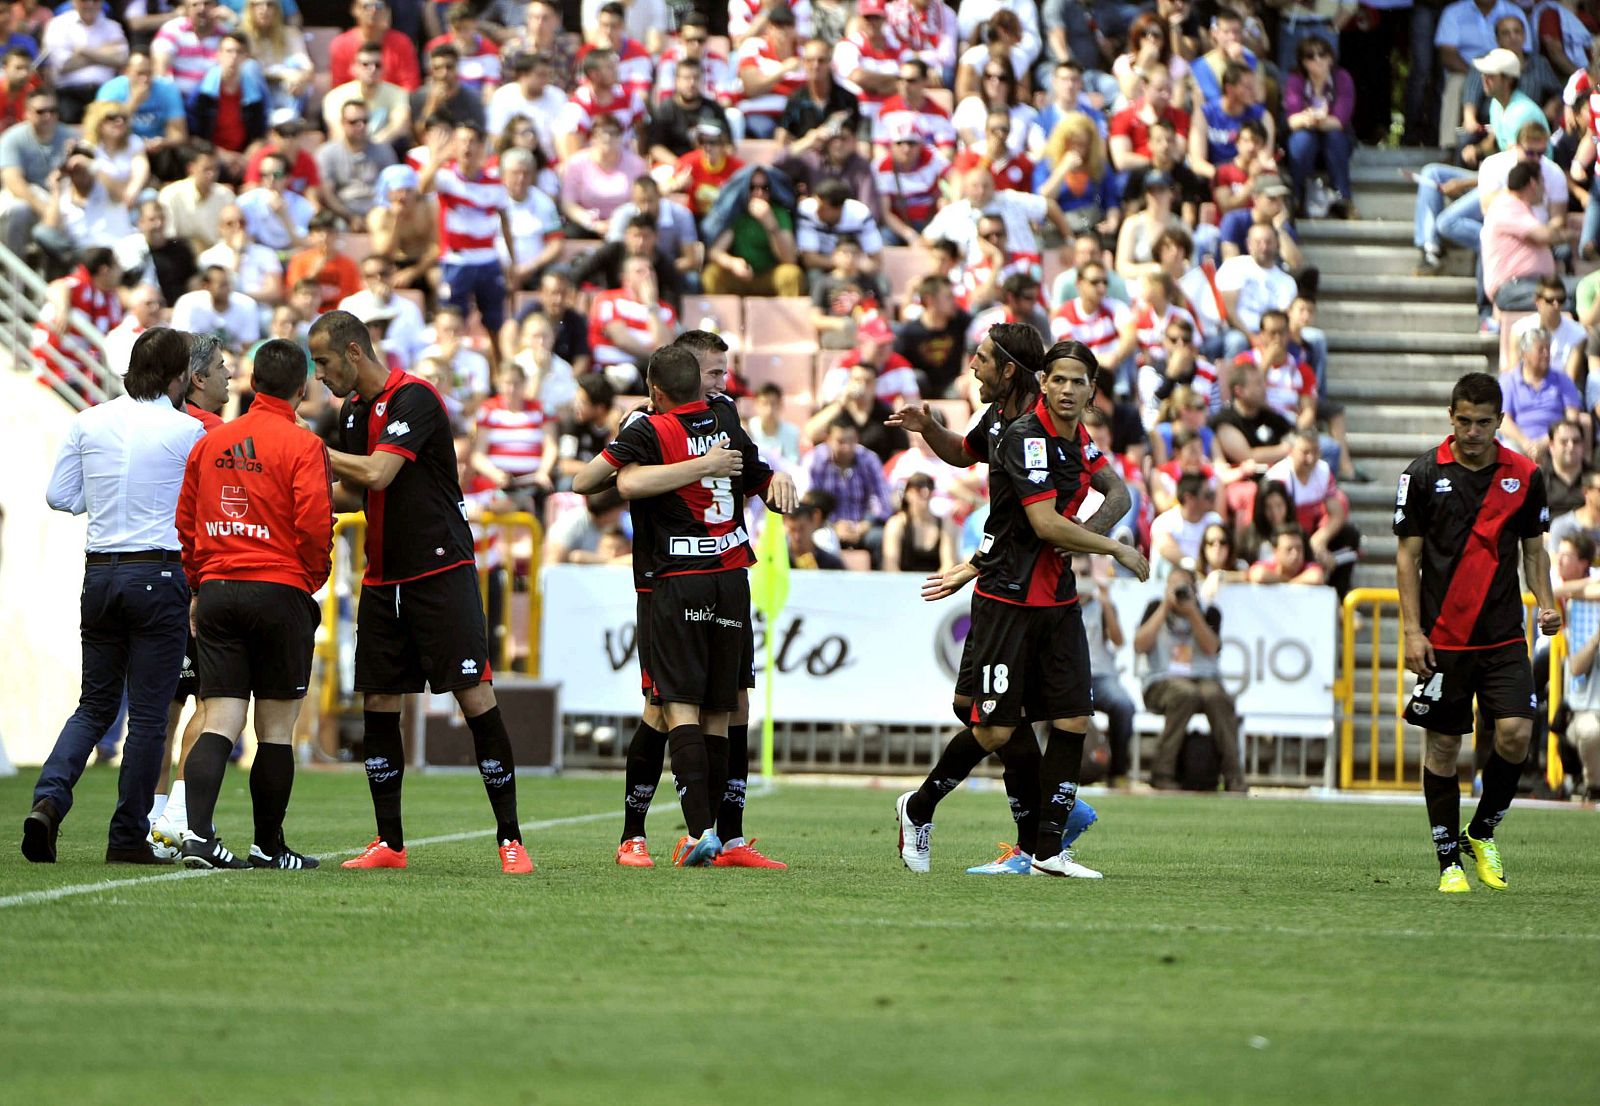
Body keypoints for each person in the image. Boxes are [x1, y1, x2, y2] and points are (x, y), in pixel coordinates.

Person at [894, 336, 1149, 877]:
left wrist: (1083, 531)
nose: (974, 366)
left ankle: (1042, 845)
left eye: (1077, 381)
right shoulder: (1018, 433)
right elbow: (1024, 515)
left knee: (1070, 716)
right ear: (1040, 381)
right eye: (1059, 379)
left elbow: (1117, 495)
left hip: (1051, 596)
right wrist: (1110, 545)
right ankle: (921, 808)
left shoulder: (1072, 434)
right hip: (1006, 597)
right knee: (989, 726)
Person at [308, 310, 532, 874]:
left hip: (440, 574)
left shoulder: (416, 398)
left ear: (354, 353)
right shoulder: (354, 412)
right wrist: (292, 491)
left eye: (325, 362)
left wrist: (304, 450)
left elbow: (379, 473)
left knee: (474, 696)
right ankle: (390, 843)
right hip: (383, 579)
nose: (320, 374)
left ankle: (510, 839)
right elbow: (357, 495)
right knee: (380, 701)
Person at [573, 344, 797, 866]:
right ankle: (640, 835)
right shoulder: (649, 420)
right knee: (676, 707)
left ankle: (715, 835)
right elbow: (622, 483)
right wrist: (706, 465)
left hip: (701, 574)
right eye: (713, 371)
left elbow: (751, 471)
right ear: (689, 371)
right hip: (668, 580)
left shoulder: (717, 413)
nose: (720, 381)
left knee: (703, 705)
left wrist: (772, 479)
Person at [22, 328, 203, 866]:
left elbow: (59, 496)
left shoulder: (89, 419)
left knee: (95, 704)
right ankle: (126, 836)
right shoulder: (187, 429)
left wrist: (100, 502)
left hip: (100, 573)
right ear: (176, 377)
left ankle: (49, 800)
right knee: (148, 716)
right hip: (159, 572)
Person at [1395, 370, 1559, 892]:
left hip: (1503, 634)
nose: (1471, 432)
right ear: (1451, 417)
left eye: (1482, 423)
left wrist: (1548, 603)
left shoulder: (1525, 476)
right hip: (1442, 637)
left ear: (1500, 422)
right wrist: (1411, 632)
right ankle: (1448, 863)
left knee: (1515, 735)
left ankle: (1481, 830)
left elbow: (1534, 552)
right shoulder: (1421, 474)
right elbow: (1408, 559)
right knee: (1443, 749)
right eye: (1463, 421)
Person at [169, 338, 331, 870]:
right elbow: (312, 524)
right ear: (301, 387)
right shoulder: (303, 445)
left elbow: (187, 523)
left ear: (251, 383)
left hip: (217, 591)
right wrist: (309, 579)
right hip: (279, 588)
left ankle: (197, 838)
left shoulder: (211, 441)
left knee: (219, 719)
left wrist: (199, 583)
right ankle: (268, 846)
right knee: (276, 730)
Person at [1135, 565, 1243, 791]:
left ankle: (1234, 777)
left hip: (1204, 678)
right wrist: (1165, 607)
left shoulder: (1209, 612)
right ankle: (1162, 774)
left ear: (1194, 589)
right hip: (1162, 680)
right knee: (1185, 694)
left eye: (1183, 586)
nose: (1178, 591)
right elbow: (1139, 645)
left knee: (1217, 697)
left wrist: (1193, 611)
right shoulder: (1155, 607)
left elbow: (1211, 647)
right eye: (1173, 586)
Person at [420, 122, 515, 372]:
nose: (467, 147)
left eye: (472, 141)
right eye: (461, 141)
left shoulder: (495, 184)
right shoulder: (447, 177)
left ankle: (499, 374)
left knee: (495, 323)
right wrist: (436, 158)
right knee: (451, 320)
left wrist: (512, 263)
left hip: (488, 260)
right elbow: (421, 187)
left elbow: (505, 224)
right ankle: (448, 371)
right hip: (456, 261)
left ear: (482, 147)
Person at [701, 166, 805, 297]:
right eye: (752, 188)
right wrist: (732, 263)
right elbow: (715, 252)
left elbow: (789, 259)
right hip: (741, 276)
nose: (759, 193)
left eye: (764, 188)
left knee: (792, 275)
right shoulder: (738, 213)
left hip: (770, 275)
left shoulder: (779, 213)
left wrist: (771, 225)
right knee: (712, 274)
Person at [1282, 34, 1355, 219]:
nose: (1318, 60)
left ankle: (1343, 199)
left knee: (1335, 137)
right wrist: (1318, 118)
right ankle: (1298, 198)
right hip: (1306, 137)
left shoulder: (1342, 78)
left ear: (1331, 57)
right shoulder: (1295, 80)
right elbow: (1292, 121)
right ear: (1303, 62)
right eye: (1310, 57)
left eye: (1322, 55)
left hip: (1334, 138)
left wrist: (1310, 118)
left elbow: (1339, 121)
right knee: (1301, 140)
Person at [0, 88, 68, 256]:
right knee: (18, 210)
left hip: (60, 197)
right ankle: (14, 276)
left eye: (53, 111)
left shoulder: (70, 136)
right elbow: (13, 181)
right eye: (41, 111)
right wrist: (45, 209)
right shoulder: (13, 137)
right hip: (27, 197)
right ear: (27, 113)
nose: (48, 116)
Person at [41, 0, 129, 124]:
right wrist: (104, 54)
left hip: (106, 92)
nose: (89, 4)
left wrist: (82, 50)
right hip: (69, 93)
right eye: (84, 0)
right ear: (73, 2)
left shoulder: (112, 26)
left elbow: (121, 58)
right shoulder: (58, 25)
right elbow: (63, 64)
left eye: (95, 0)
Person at [1499, 326, 1581, 458]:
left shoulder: (1562, 379)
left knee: (1566, 446)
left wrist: (1547, 441)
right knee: (1508, 449)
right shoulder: (1509, 381)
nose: (1546, 354)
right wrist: (1526, 444)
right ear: (1525, 354)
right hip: (1520, 442)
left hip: (1555, 441)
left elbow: (1572, 416)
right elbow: (1504, 420)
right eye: (1540, 350)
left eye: (1548, 349)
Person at [316, 99, 398, 227]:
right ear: (343, 123)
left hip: (379, 212)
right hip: (342, 213)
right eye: (353, 122)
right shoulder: (327, 153)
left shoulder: (384, 150)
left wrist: (377, 215)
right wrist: (350, 218)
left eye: (365, 121)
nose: (360, 126)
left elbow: (393, 187)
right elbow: (328, 195)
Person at [329, 0, 421, 91]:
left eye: (378, 6)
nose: (373, 10)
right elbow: (338, 87)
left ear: (386, 11)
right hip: (352, 102)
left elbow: (410, 85)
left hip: (394, 102)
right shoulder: (340, 44)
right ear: (355, 10)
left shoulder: (402, 43)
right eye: (367, 6)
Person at [882, 472, 957, 572]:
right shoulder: (895, 524)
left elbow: (948, 563)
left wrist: (938, 585)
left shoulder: (944, 524)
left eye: (929, 489)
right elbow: (890, 564)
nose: (925, 493)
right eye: (918, 490)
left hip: (934, 584)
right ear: (907, 494)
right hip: (901, 584)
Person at [1539, 418, 1589, 516]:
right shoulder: (1538, 480)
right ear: (1551, 446)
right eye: (1564, 442)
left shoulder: (1595, 479)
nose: (1571, 446)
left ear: (1583, 445)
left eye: (1576, 441)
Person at [785, 489, 844, 568]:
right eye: (792, 530)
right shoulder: (776, 562)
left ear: (814, 521)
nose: (797, 537)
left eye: (802, 529)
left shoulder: (831, 564)